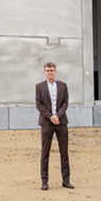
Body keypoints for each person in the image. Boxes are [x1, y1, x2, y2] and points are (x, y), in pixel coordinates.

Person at [35, 62, 74, 191]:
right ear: (44, 72)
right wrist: (50, 116)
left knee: (64, 152)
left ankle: (66, 180)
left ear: (55, 72)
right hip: (46, 122)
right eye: (47, 70)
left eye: (52, 70)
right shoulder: (39, 87)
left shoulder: (63, 86)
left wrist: (58, 115)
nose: (50, 72)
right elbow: (39, 105)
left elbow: (65, 102)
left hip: (61, 122)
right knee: (45, 152)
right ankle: (44, 181)